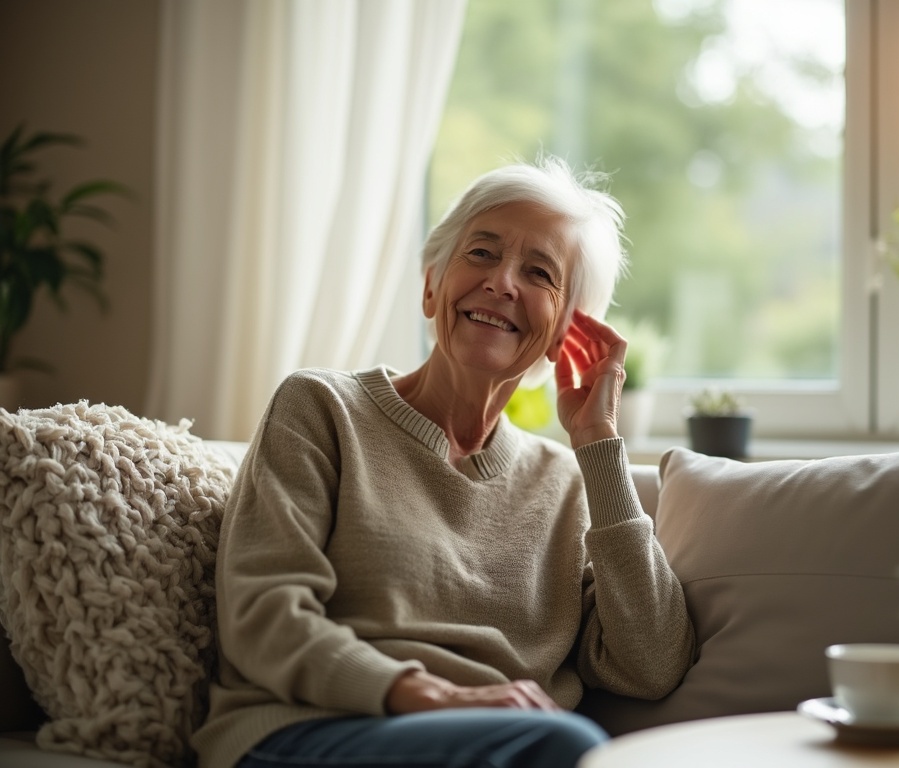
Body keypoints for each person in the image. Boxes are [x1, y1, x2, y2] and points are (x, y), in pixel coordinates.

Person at [191, 156, 696, 768]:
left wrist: (599, 445)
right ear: (432, 285)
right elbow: (262, 617)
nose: (503, 281)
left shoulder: (564, 482)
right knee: (568, 749)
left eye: (539, 272)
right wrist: (430, 695)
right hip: (308, 733)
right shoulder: (322, 409)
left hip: (495, 751)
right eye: (481, 254)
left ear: (569, 332)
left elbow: (652, 665)